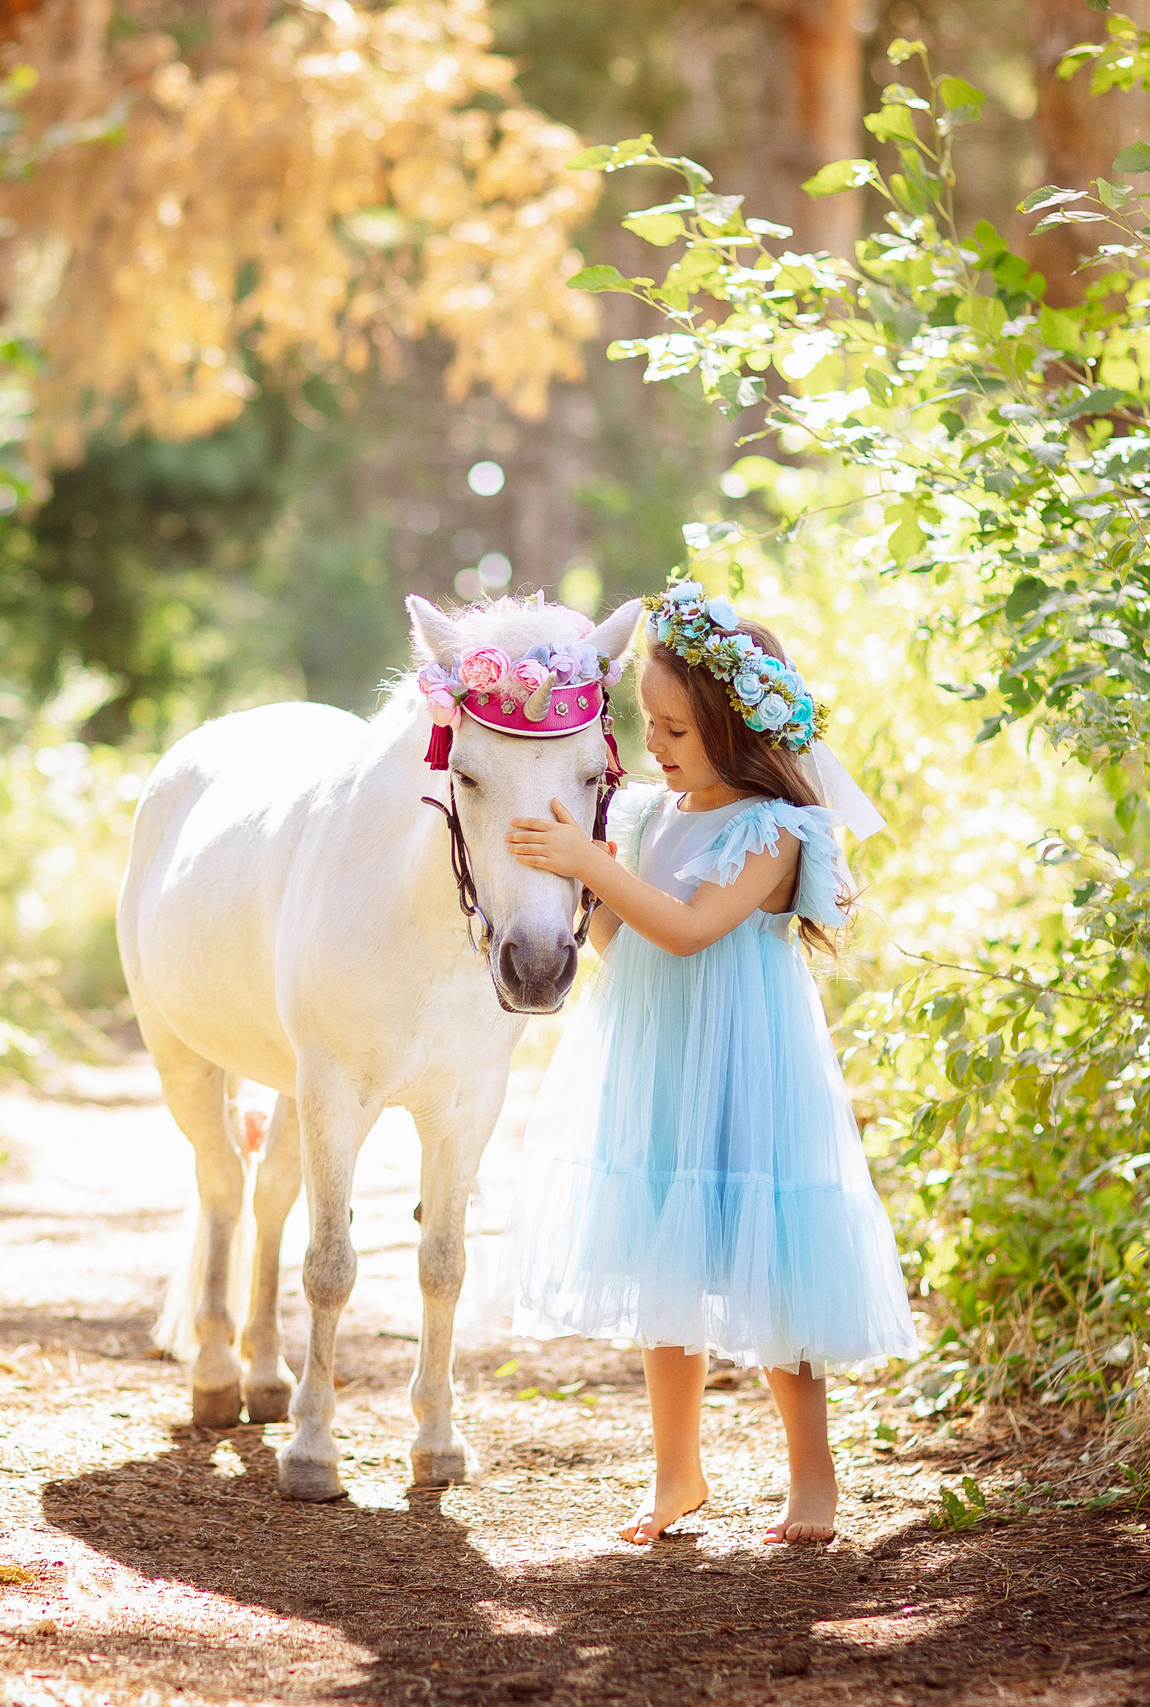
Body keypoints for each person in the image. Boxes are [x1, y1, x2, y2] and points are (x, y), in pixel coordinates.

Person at [501, 581, 918, 1547]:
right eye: (649, 725)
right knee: (666, 1259)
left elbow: (689, 930)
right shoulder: (651, 817)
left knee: (767, 1263)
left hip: (745, 1061)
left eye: (680, 731)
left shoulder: (775, 830)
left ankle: (812, 1477)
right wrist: (580, 873)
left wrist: (595, 866)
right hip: (660, 1056)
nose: (660, 747)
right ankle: (676, 1472)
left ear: (736, 730)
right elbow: (627, 942)